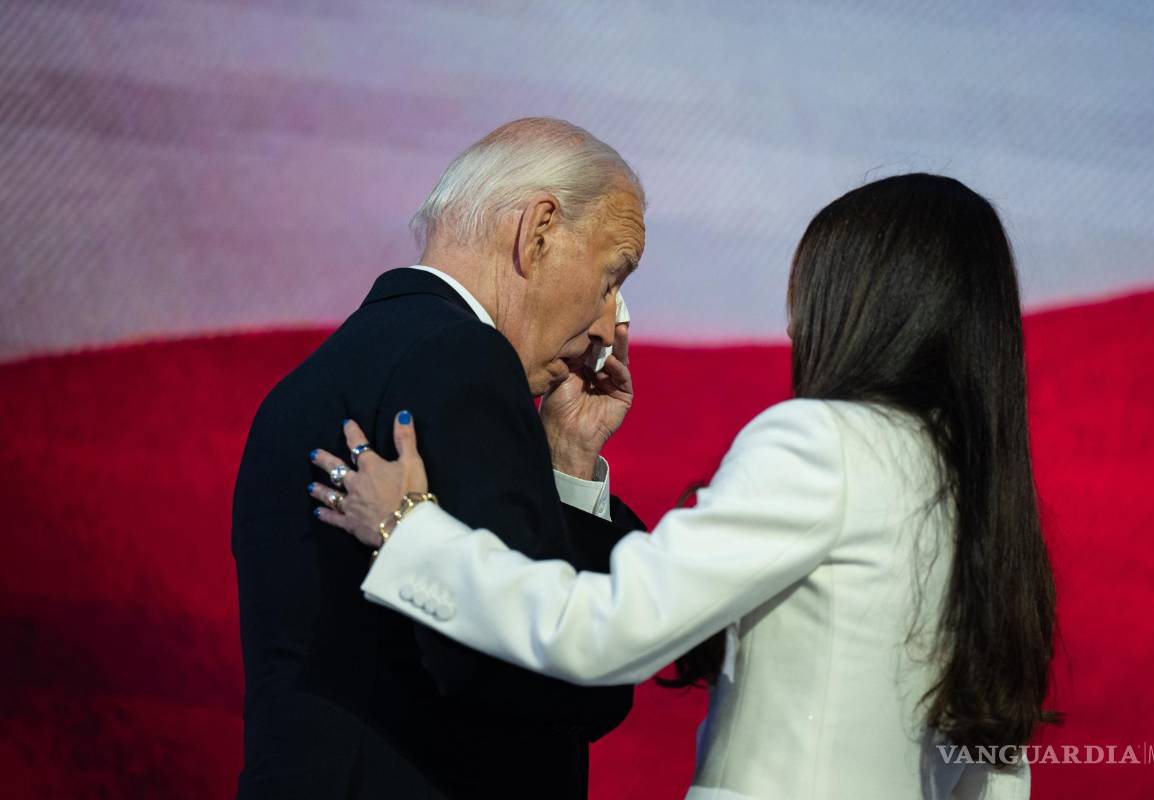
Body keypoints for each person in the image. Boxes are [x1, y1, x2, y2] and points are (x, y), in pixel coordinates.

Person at [308, 173, 1060, 799]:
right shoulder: (967, 482)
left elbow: (605, 629)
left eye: (807, 289)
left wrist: (409, 531)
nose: (797, 323)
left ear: (858, 301)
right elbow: (992, 765)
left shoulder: (824, 443)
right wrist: (569, 455)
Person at [232, 117, 647, 799]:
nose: (609, 326)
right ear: (537, 230)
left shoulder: (315, 380)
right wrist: (610, 659)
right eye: (611, 277)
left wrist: (567, 459)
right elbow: (530, 663)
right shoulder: (463, 357)